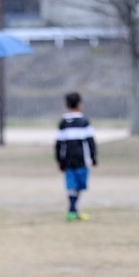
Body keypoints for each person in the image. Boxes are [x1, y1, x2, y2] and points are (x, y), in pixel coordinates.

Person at [55, 92, 97, 221]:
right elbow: (90, 141)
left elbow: (58, 144)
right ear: (79, 105)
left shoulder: (63, 123)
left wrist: (59, 159)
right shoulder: (84, 122)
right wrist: (93, 157)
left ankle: (73, 210)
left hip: (68, 160)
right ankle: (72, 210)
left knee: (72, 185)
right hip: (81, 160)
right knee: (77, 185)